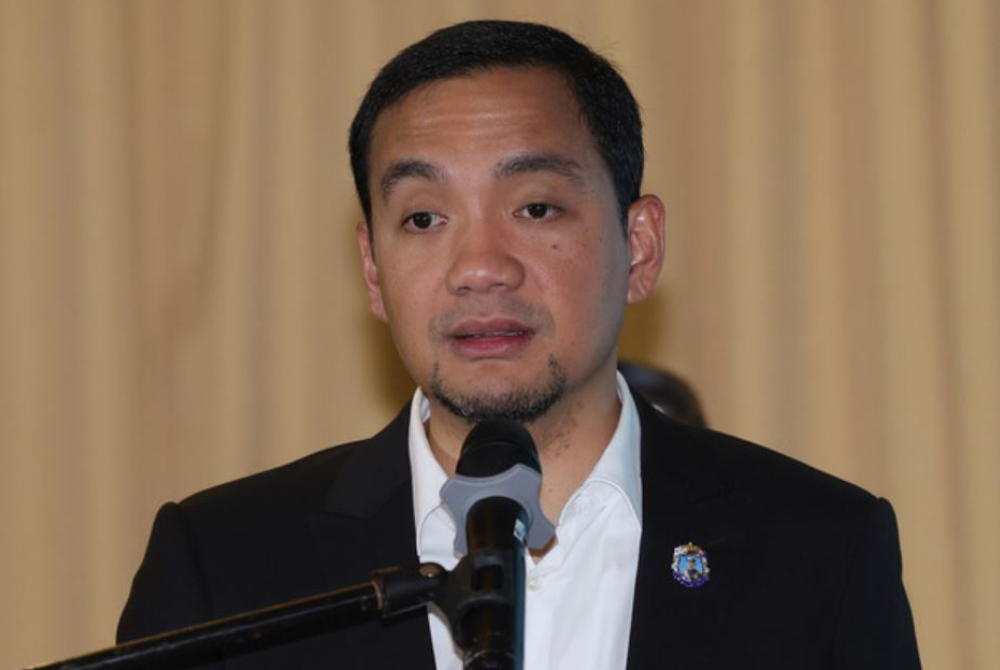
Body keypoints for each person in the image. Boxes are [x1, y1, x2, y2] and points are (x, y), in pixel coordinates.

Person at [118, 20, 921, 669]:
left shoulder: (819, 550)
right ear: (372, 269)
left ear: (640, 246)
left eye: (535, 208)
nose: (479, 268)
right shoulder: (227, 566)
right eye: (423, 218)